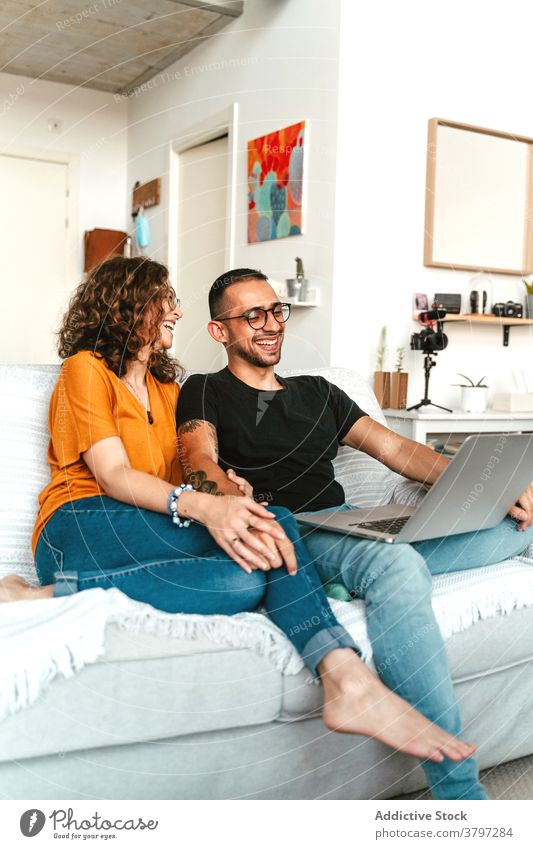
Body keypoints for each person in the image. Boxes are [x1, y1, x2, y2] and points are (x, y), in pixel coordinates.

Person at [0, 256, 473, 768]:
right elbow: (113, 475)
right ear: (128, 305)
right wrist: (205, 504)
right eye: (166, 300)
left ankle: (51, 596)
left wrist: (231, 489)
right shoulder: (86, 370)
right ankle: (344, 675)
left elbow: (186, 468)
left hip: (147, 528)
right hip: (78, 525)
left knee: (245, 580)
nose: (176, 313)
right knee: (276, 523)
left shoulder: (166, 387)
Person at [175, 267, 533, 800]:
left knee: (515, 526)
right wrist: (224, 493)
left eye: (276, 311)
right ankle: (460, 796)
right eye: (252, 315)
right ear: (220, 331)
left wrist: (495, 487)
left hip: (351, 523)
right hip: (297, 533)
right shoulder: (204, 390)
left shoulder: (320, 392)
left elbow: (398, 450)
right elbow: (196, 458)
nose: (270, 324)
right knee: (398, 565)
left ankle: (353, 577)